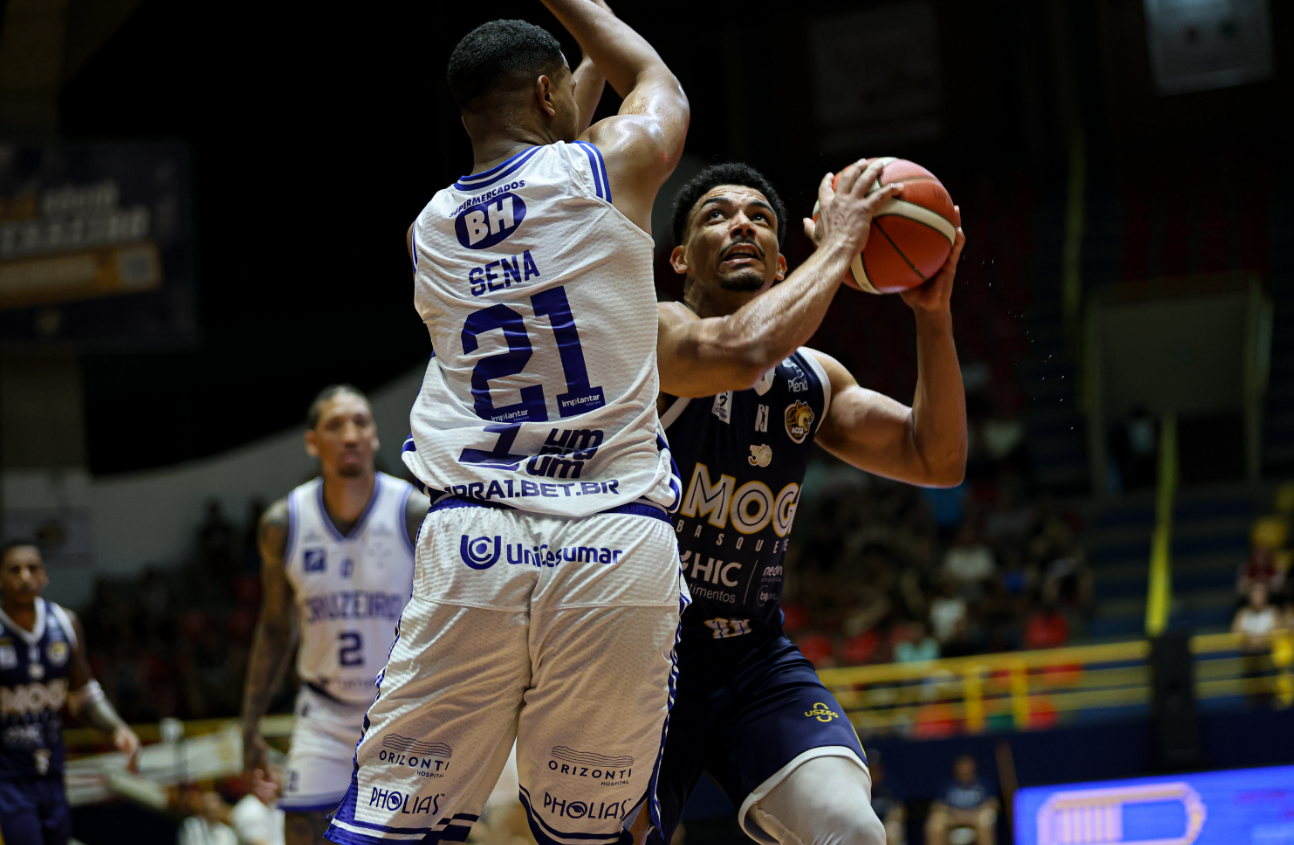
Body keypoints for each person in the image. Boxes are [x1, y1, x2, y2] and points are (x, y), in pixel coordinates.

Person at [326, 4, 690, 844]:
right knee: (591, 832)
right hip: (611, 536)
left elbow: (552, 147)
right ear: (548, 93)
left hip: (478, 540)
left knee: (389, 822)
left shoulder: (428, 232)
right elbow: (655, 83)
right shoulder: (609, 167)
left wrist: (564, 83)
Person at [641, 160, 966, 845]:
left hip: (749, 658)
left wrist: (932, 319)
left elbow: (937, 458)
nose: (741, 224)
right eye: (716, 215)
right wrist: (842, 245)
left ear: (784, 263)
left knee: (853, 829)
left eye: (759, 217)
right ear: (679, 258)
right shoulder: (651, 335)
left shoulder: (810, 380)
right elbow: (744, 347)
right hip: (633, 660)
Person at [241, 385, 428, 844]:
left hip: (398, 711)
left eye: (361, 422)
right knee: (301, 831)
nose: (350, 434)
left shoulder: (413, 513)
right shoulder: (283, 524)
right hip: (323, 711)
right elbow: (273, 630)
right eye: (335, 425)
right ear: (312, 442)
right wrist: (250, 728)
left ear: (376, 437)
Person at [0, 540, 141, 845]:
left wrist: (117, 728)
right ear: (0, 577)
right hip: (7, 777)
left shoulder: (65, 622)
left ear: (45, 576)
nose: (25, 576)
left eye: (32, 569)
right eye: (14, 570)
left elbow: (83, 695)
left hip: (52, 770)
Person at [925, 755, 997, 845]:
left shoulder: (984, 785)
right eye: (962, 767)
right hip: (953, 818)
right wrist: (956, 814)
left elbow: (993, 804)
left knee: (985, 818)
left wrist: (970, 815)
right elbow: (937, 805)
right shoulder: (948, 786)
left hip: (975, 817)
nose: (964, 770)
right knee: (935, 822)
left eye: (967, 767)